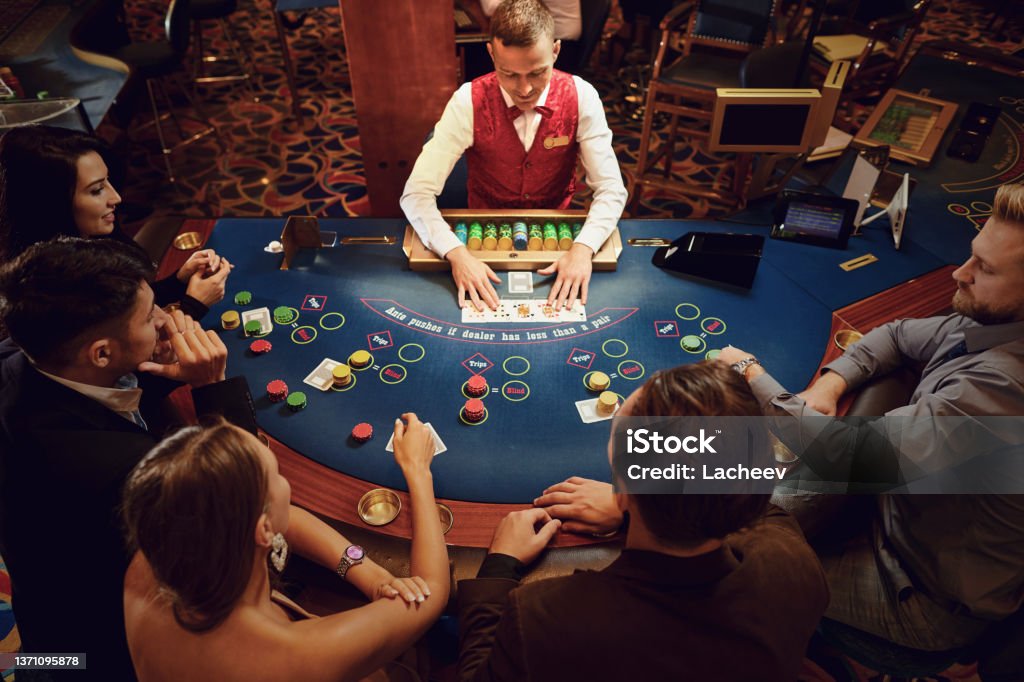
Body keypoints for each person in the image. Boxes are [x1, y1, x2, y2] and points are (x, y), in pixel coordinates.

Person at [714, 181, 1024, 651]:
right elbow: (898, 335)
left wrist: (746, 371)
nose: (960, 274)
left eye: (985, 268)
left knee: (716, 573)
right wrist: (827, 386)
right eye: (972, 254)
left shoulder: (1005, 385)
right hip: (897, 514)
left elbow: (852, 458)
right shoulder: (994, 319)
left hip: (918, 594)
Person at [460, 362, 828, 681]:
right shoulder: (794, 564)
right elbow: (765, 515)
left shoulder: (544, 619)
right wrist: (633, 508)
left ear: (623, 492)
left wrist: (499, 567)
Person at [0, 238, 257, 680]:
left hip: (42, 610)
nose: (165, 318)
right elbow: (245, 496)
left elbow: (96, 403)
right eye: (150, 315)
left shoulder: (16, 358)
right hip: (108, 647)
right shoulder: (122, 468)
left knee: (35, 660)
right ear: (101, 353)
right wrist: (212, 386)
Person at [121, 414, 449, 681]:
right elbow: (431, 593)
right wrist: (418, 471)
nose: (284, 482)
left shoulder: (153, 559)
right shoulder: (296, 655)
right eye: (276, 473)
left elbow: (284, 518)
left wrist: (371, 574)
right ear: (262, 529)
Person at [400, 0, 627, 312]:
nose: (524, 89)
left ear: (556, 51)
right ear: (492, 53)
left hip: (557, 242)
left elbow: (612, 188)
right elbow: (416, 194)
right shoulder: (467, 100)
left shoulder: (582, 95)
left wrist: (584, 248)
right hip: (481, 242)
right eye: (509, 74)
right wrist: (457, 253)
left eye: (537, 73)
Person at [0, 125, 230, 319]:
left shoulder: (94, 238)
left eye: (107, 181)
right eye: (97, 189)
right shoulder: (51, 291)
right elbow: (129, 362)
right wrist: (194, 306)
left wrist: (179, 280)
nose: (116, 198)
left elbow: (129, 302)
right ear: (52, 204)